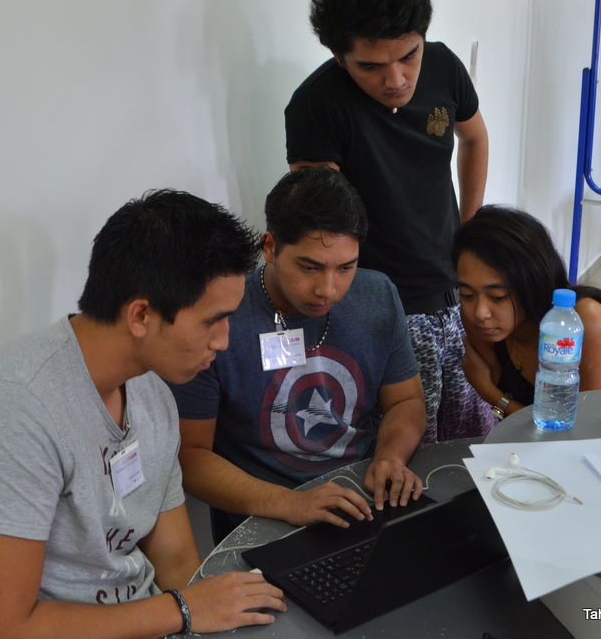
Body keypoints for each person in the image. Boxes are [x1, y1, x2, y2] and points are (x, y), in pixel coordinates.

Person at [0, 191, 287, 639]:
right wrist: (185, 611)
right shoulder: (5, 411)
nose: (223, 341)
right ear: (141, 316)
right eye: (213, 320)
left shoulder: (152, 393)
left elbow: (176, 562)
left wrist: (212, 616)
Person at [285, 0, 495, 443]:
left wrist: (470, 231)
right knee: (401, 448)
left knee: (468, 438)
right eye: (371, 66)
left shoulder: (444, 67)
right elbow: (324, 224)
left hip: (451, 289)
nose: (396, 79)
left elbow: (475, 138)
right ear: (339, 57)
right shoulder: (316, 105)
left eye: (408, 55)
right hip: (378, 303)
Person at [170, 168, 426, 544]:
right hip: (268, 516)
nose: (328, 289)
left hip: (366, 497)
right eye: (309, 267)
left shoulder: (378, 296)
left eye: (346, 268)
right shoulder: (221, 316)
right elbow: (190, 456)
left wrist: (390, 457)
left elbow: (406, 400)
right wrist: (289, 503)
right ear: (269, 246)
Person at [452, 204, 601, 419]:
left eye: (498, 297)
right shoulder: (480, 322)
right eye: (467, 295)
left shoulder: (584, 320)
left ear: (532, 283)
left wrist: (490, 393)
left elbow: (582, 428)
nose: (480, 313)